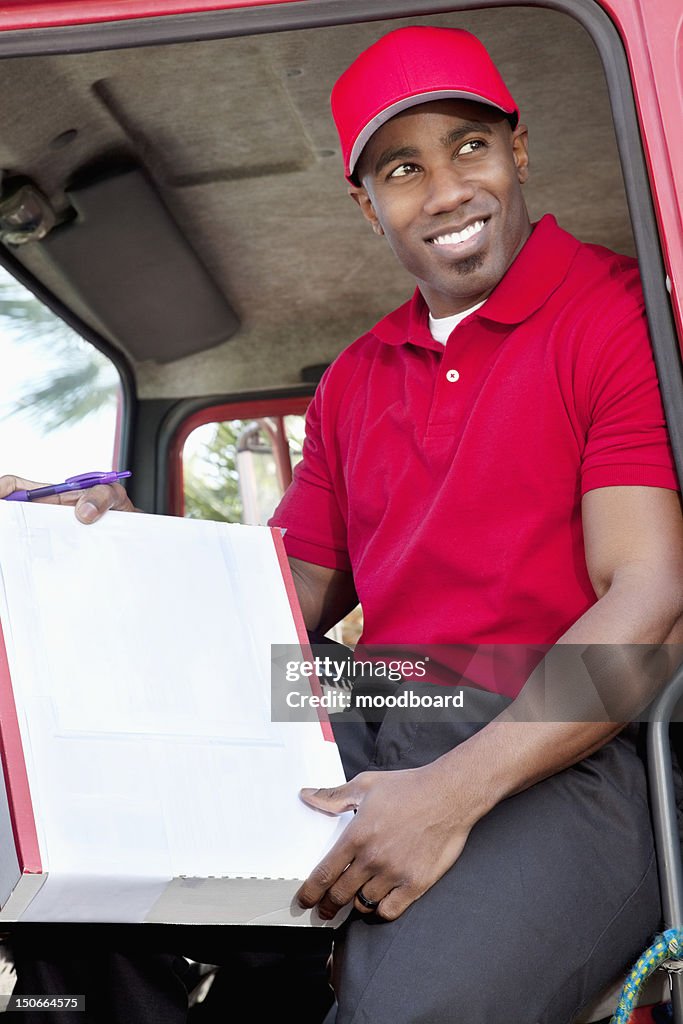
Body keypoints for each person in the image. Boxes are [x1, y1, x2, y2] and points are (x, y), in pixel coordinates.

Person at [2, 23, 682, 1024]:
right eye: (402, 168)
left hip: (555, 724)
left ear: (516, 150)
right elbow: (277, 605)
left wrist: (447, 794)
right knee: (67, 860)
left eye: (468, 147)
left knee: (411, 1008)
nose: (446, 189)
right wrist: (117, 545)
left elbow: (648, 606)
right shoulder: (359, 377)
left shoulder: (616, 317)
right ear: (367, 204)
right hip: (370, 686)